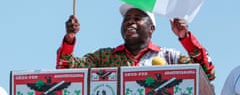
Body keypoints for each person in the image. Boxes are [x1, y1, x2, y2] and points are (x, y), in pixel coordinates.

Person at [56, 4, 215, 81]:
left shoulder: (170, 58)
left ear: (151, 28)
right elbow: (66, 70)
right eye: (126, 19)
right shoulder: (104, 57)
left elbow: (207, 74)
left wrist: (185, 37)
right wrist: (70, 38)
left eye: (137, 19)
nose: (129, 22)